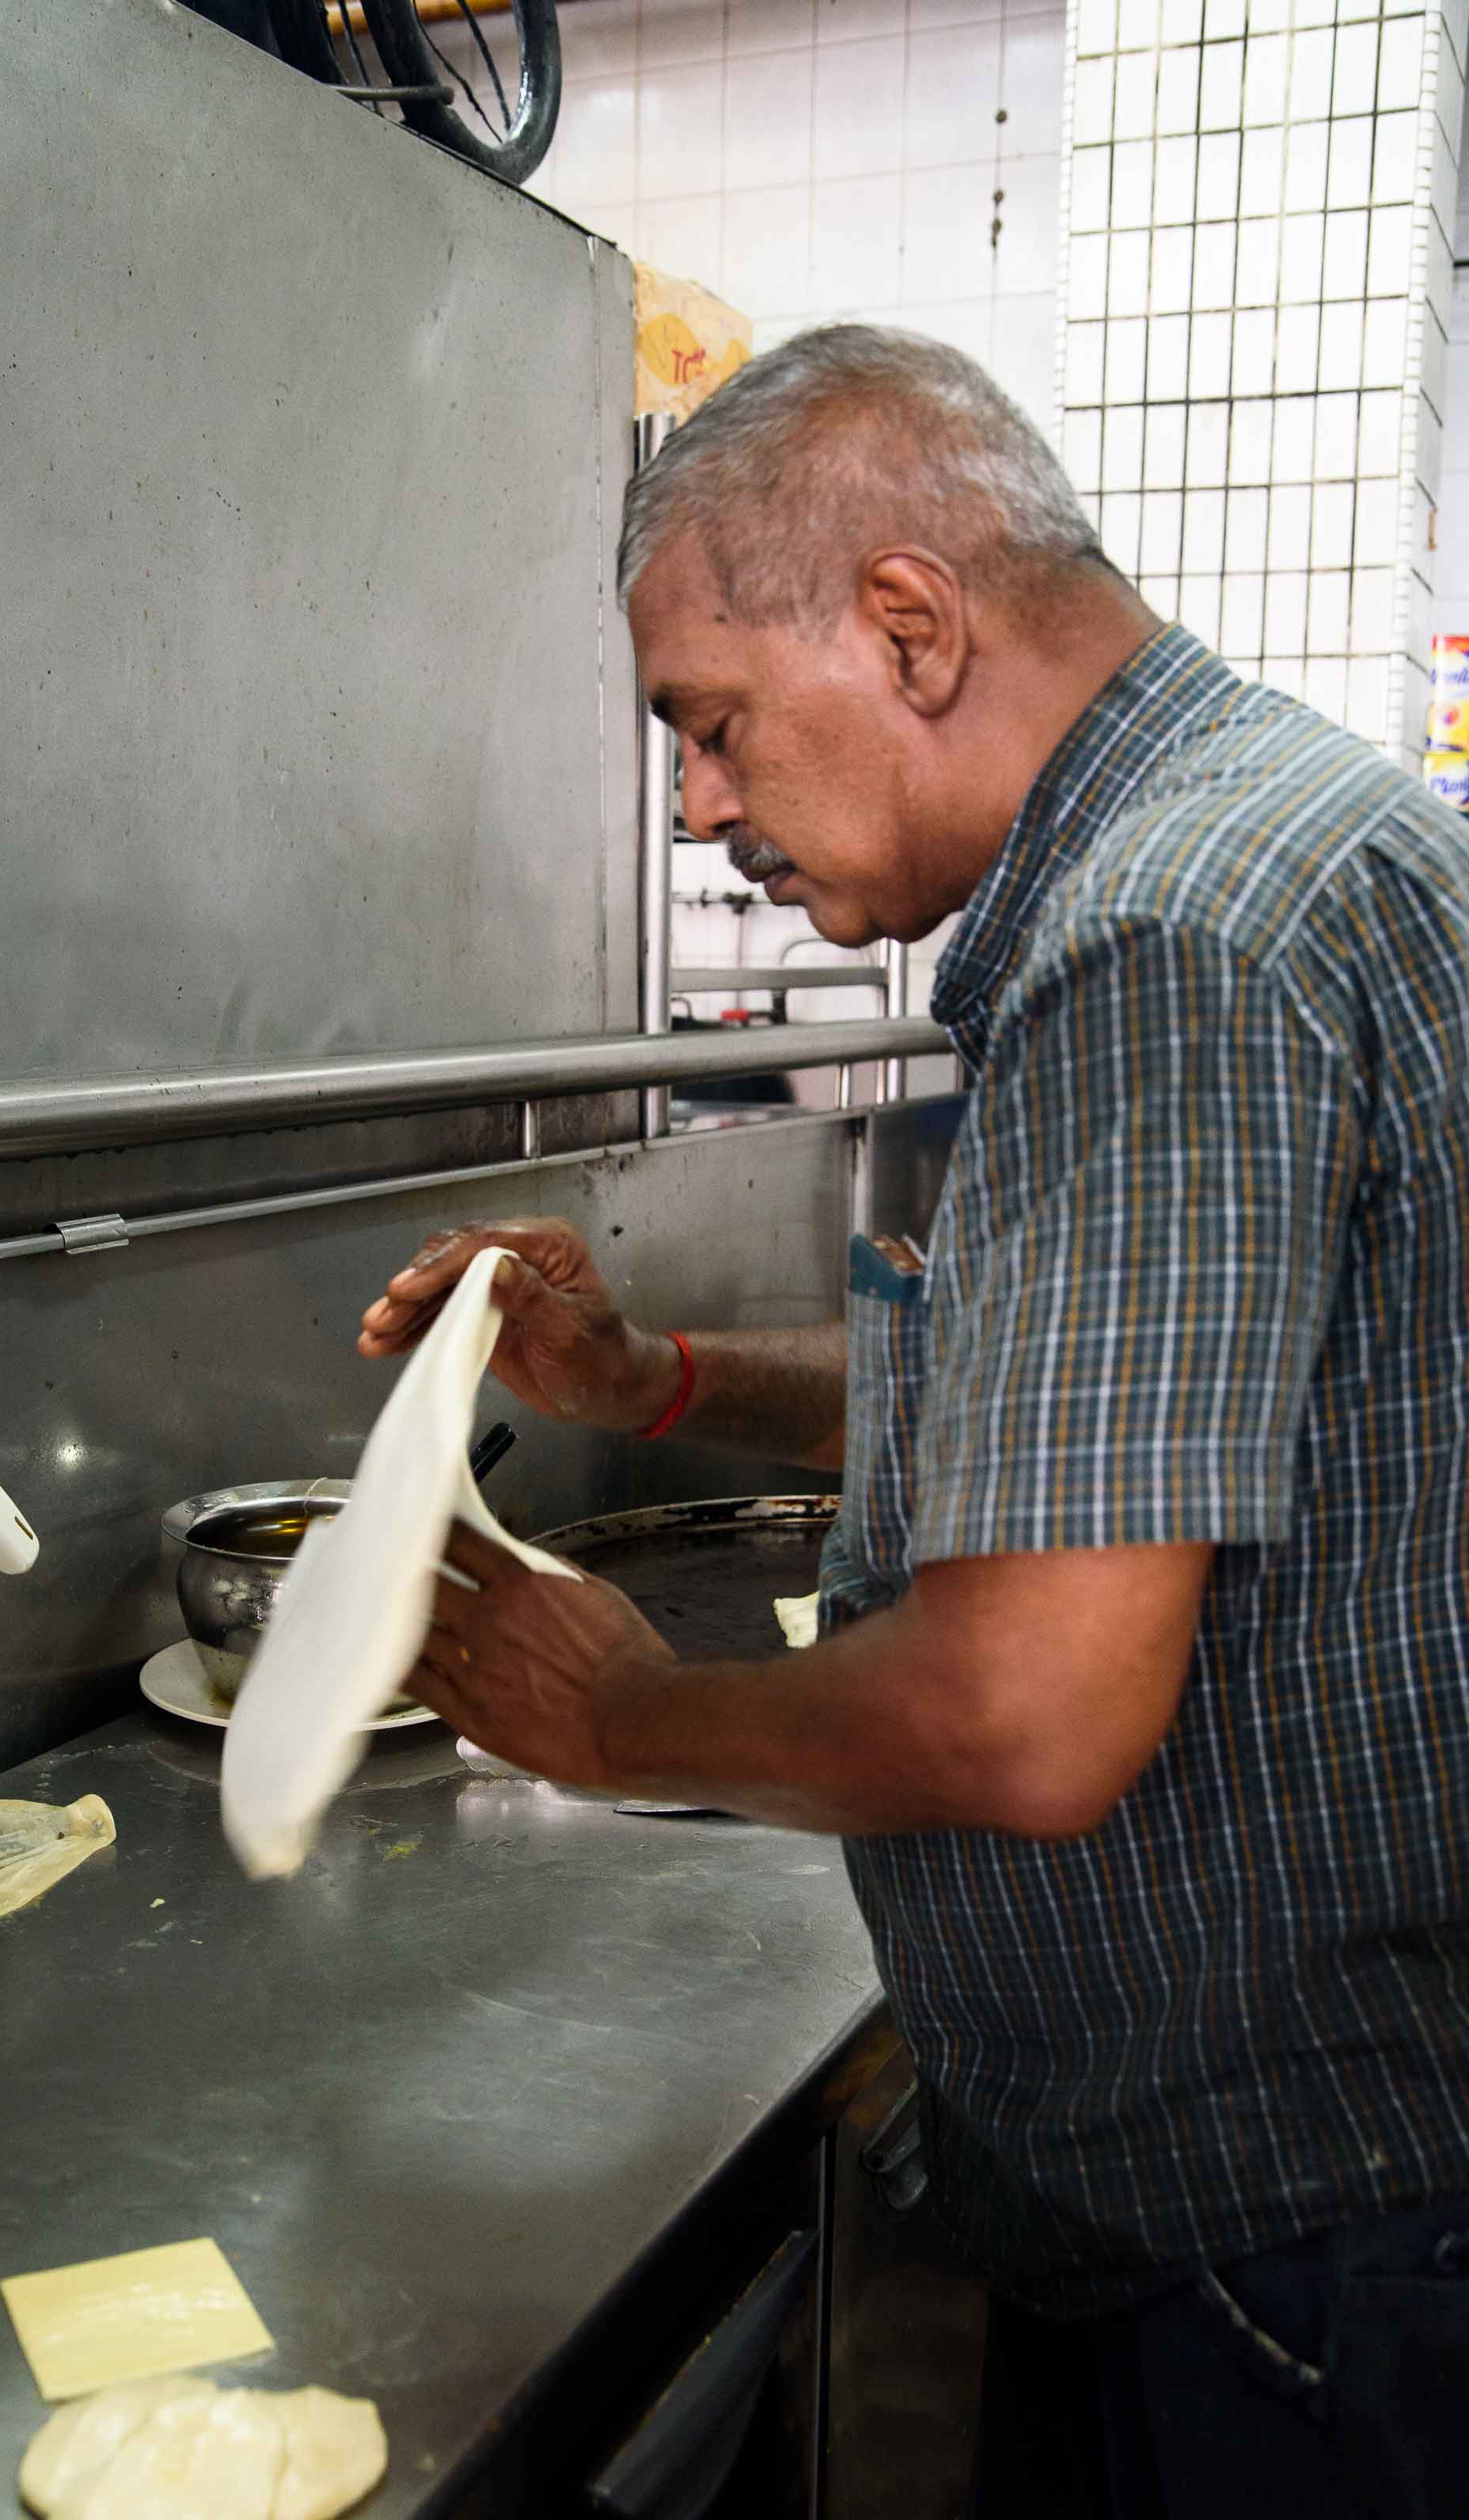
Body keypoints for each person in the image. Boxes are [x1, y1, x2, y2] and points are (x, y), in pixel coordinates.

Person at [359, 327, 1469, 2517]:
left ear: (906, 624)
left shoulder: (1169, 938)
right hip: (1323, 2203)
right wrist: (652, 1385)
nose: (695, 805)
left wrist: (623, 1722)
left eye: (709, 723)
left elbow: (1035, 1712)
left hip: (1290, 2248)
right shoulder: (1268, 839)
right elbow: (1133, 1433)